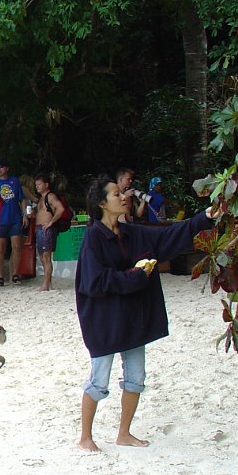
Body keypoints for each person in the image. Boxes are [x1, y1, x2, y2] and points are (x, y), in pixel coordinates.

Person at [76, 175, 215, 452]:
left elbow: (169, 235)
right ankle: (85, 438)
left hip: (132, 317)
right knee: (98, 381)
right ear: (103, 203)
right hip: (105, 321)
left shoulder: (132, 232)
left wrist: (206, 217)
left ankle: (124, 433)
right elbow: (94, 281)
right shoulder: (93, 237)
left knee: (136, 378)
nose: (124, 197)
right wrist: (135, 276)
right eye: (117, 194)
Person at [0, 160, 28, 286]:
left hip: (14, 218)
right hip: (0, 219)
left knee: (16, 247)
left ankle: (15, 274)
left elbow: (22, 199)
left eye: (1, 167)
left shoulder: (14, 181)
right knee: (0, 248)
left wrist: (25, 215)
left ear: (7, 168)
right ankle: (1, 276)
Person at [33, 174, 65, 293]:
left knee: (46, 257)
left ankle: (46, 285)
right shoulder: (41, 199)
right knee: (42, 257)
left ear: (46, 185)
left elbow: (60, 208)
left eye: (39, 184)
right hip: (40, 228)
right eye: (36, 185)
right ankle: (48, 283)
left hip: (46, 228)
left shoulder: (50, 196)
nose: (37, 187)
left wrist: (51, 222)